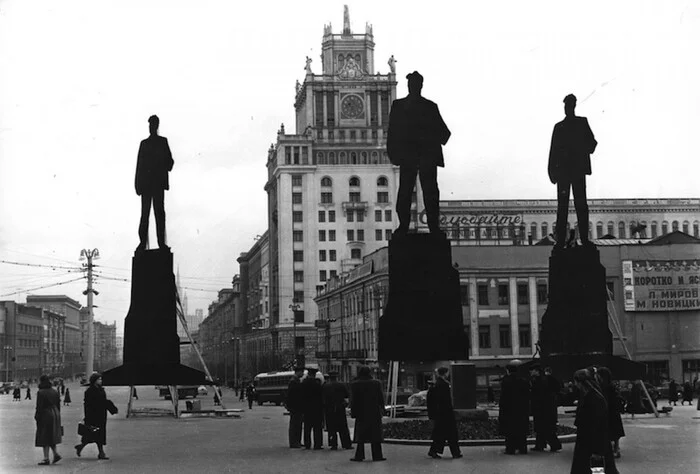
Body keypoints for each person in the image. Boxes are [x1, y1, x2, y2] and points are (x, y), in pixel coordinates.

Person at [387, 71, 451, 236]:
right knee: (426, 191)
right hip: (424, 156)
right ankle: (431, 227)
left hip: (412, 156)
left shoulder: (400, 106)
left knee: (409, 191)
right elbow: (444, 134)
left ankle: (406, 226)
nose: (414, 87)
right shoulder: (428, 107)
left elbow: (392, 133)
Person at [548, 94, 598, 248]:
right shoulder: (560, 126)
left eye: (569, 105)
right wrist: (552, 171)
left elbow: (592, 144)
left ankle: (582, 238)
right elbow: (553, 150)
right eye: (566, 105)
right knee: (565, 206)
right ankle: (562, 240)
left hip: (573, 171)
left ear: (574, 106)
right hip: (567, 172)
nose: (567, 108)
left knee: (578, 205)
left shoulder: (581, 123)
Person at [135, 114, 174, 252]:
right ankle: (142, 242)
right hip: (147, 185)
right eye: (150, 124)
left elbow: (170, 163)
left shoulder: (163, 142)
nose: (151, 127)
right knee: (145, 215)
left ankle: (161, 243)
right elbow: (139, 165)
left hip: (157, 184)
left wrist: (160, 162)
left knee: (159, 214)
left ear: (156, 126)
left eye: (153, 124)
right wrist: (138, 185)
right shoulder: (144, 144)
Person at [571, 368, 619, 474]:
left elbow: (597, 424)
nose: (575, 385)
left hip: (592, 441)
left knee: (594, 468)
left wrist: (597, 449)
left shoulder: (593, 398)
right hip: (589, 441)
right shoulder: (591, 395)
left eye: (576, 381)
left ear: (581, 382)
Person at [75, 373, 118, 460]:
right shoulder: (89, 391)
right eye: (99, 379)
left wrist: (111, 407)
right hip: (93, 416)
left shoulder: (101, 390)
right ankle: (100, 453)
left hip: (101, 415)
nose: (101, 381)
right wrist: (87, 417)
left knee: (97, 434)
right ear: (94, 381)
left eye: (101, 379)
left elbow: (104, 401)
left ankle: (82, 447)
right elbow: (87, 405)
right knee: (94, 434)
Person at [349, 365, 386, 462]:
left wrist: (353, 412)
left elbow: (353, 400)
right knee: (375, 435)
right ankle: (377, 455)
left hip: (361, 412)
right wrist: (382, 408)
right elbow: (381, 398)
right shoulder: (376, 383)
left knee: (361, 435)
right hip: (374, 412)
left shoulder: (355, 384)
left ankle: (359, 455)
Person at [427, 367, 462, 459]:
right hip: (446, 413)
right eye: (447, 373)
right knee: (451, 434)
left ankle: (434, 451)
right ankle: (455, 453)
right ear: (445, 373)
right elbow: (446, 401)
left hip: (440, 414)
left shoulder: (436, 384)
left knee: (440, 434)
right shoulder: (444, 385)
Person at [498, 360, 530, 455]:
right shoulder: (523, 381)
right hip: (521, 410)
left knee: (510, 430)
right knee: (521, 430)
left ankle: (510, 449)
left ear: (508, 371)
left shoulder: (505, 381)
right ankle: (522, 448)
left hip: (509, 410)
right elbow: (527, 396)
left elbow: (503, 396)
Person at [530, 364, 562, 452]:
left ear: (536, 371)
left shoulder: (541, 380)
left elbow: (537, 394)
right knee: (542, 428)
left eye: (532, 371)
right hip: (547, 407)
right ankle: (540, 445)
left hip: (543, 408)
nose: (530, 372)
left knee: (546, 428)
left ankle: (554, 445)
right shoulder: (545, 379)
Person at [595, 367, 625, 460]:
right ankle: (615, 449)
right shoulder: (611, 386)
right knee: (614, 432)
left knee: (611, 431)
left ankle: (614, 449)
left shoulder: (604, 388)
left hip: (609, 412)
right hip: (613, 413)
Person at [35, 375, 62, 465]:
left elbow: (39, 406)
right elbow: (58, 405)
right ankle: (55, 454)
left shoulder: (41, 392)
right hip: (55, 413)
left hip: (46, 414)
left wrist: (37, 416)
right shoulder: (55, 391)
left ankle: (46, 458)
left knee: (44, 435)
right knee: (52, 435)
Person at [322, 371, 352, 450]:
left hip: (329, 409)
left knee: (331, 428)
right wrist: (345, 404)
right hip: (340, 408)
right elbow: (347, 396)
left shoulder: (325, 386)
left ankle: (333, 444)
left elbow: (323, 398)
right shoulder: (341, 385)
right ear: (336, 376)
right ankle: (346, 444)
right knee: (343, 427)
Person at [302, 368, 324, 450]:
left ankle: (307, 444)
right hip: (317, 408)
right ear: (314, 374)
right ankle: (317, 444)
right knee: (317, 427)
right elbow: (321, 396)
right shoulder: (317, 384)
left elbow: (302, 396)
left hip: (307, 408)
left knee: (307, 427)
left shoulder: (304, 383)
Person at [286, 368, 305, 448]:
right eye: (302, 372)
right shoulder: (294, 381)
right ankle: (294, 442)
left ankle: (297, 441)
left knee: (297, 424)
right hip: (296, 407)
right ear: (298, 372)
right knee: (295, 425)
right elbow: (293, 396)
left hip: (296, 406)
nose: (303, 373)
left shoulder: (295, 380)